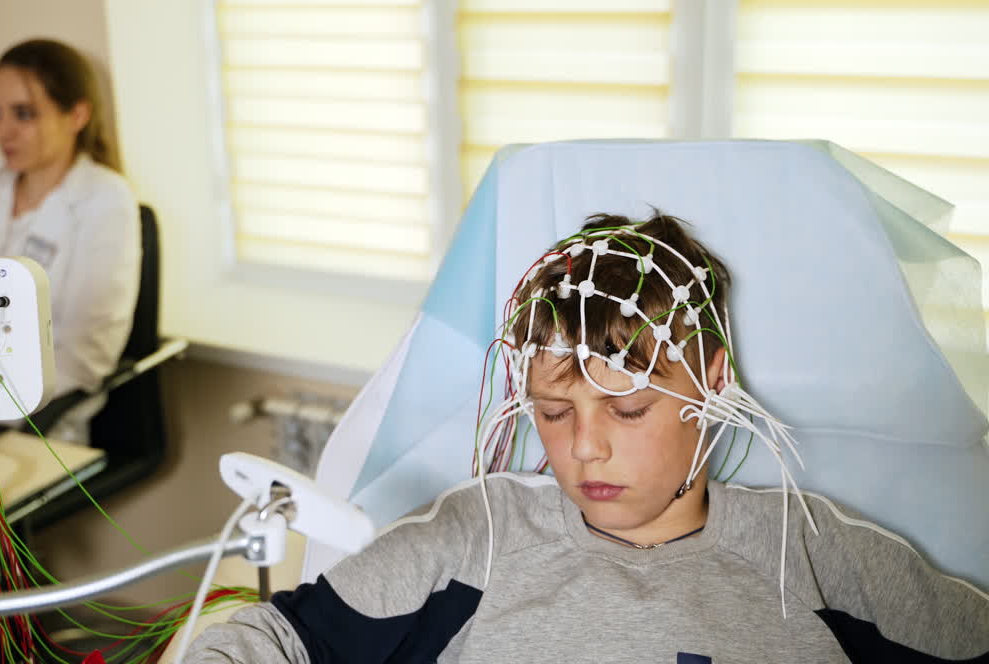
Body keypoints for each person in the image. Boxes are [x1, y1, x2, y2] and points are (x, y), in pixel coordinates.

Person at [184, 213, 989, 662]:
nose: (584, 449)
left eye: (628, 412)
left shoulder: (809, 554)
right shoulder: (480, 538)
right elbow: (279, 640)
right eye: (553, 411)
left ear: (710, 384)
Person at [0, 38, 139, 442]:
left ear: (77, 115)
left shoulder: (105, 200)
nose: (3, 131)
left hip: (38, 420)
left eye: (23, 114)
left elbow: (86, 357)